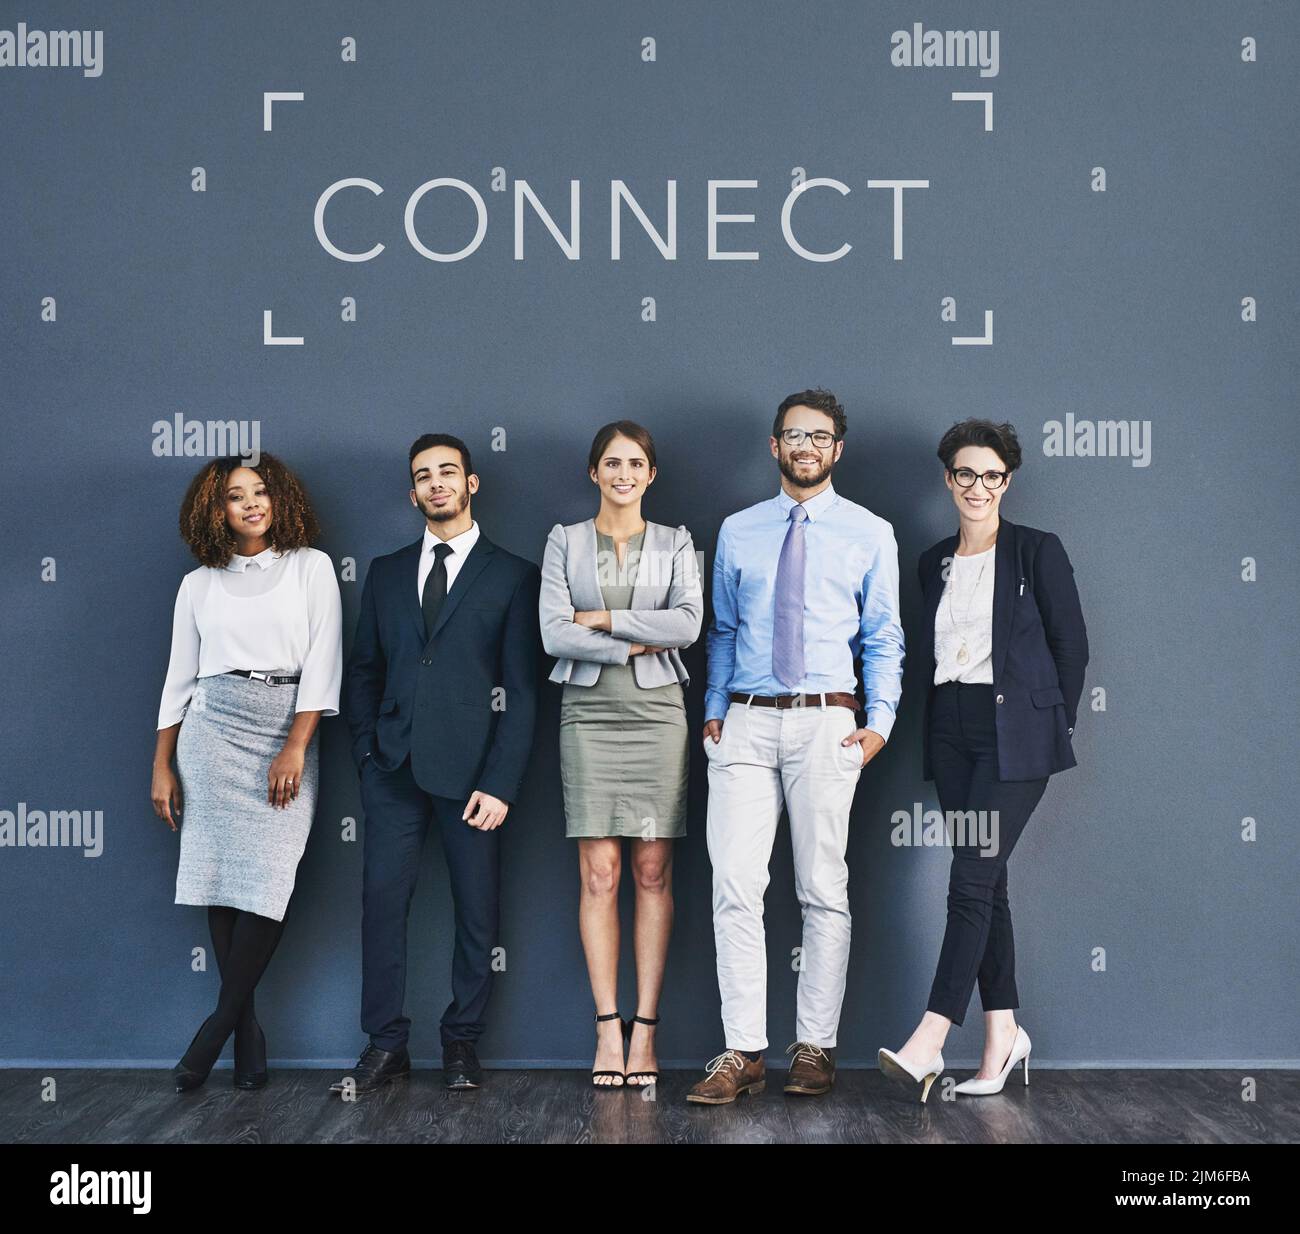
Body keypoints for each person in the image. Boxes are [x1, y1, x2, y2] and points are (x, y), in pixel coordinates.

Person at [686, 389, 905, 1104]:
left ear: (837, 449)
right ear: (774, 447)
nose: (804, 445)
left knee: (822, 888)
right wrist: (714, 712)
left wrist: (879, 724)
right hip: (745, 721)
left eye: (818, 435)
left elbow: (883, 638)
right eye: (792, 434)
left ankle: (815, 1047)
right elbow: (719, 630)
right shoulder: (739, 529)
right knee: (734, 888)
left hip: (826, 723)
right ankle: (743, 1051)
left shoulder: (870, 532)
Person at [877, 419, 1088, 1102]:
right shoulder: (931, 560)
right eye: (965, 473)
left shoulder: (1036, 552)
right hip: (951, 732)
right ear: (948, 477)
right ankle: (1004, 1036)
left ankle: (930, 1038)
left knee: (968, 881)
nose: (978, 486)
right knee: (987, 884)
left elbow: (1072, 649)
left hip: (1016, 736)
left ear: (1007, 481)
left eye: (991, 475)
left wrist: (1046, 726)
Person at [333, 434, 542, 1094]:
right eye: (423, 476)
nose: (436, 484)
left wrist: (501, 781)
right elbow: (363, 670)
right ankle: (386, 1043)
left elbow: (523, 689)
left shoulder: (511, 574)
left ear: (471, 484)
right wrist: (367, 754)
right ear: (413, 491)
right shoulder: (387, 571)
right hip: (392, 769)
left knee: (476, 912)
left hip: (475, 777)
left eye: (448, 472)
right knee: (380, 906)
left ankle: (461, 1044)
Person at [152, 453, 342, 1092]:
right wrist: (162, 765)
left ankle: (216, 1028)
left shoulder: (311, 567)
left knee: (267, 876)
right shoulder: (198, 583)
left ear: (280, 499)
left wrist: (295, 745)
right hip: (210, 732)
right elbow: (179, 678)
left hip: (286, 724)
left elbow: (323, 664)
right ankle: (247, 1032)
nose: (251, 503)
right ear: (217, 510)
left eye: (261, 491)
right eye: (236, 496)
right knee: (222, 878)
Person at [539, 421, 703, 1089]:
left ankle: (647, 1031)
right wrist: (638, 637)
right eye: (612, 462)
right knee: (600, 873)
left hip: (659, 718)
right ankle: (607, 1028)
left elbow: (688, 624)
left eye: (636, 462)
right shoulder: (564, 540)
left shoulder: (676, 541)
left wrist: (601, 620)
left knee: (653, 870)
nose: (624, 473)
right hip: (588, 716)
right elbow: (552, 632)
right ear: (593, 472)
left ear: (651, 474)